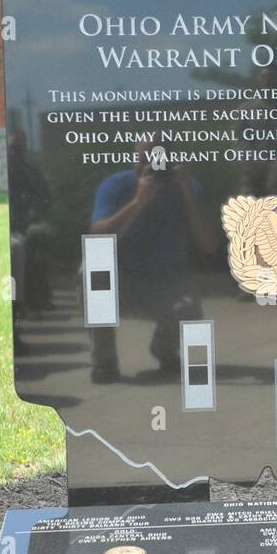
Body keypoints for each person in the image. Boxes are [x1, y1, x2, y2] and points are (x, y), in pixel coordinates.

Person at [87, 137, 221, 383]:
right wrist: (137, 202)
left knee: (188, 304)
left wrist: (188, 195)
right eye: (144, 160)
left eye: (158, 160)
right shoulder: (116, 186)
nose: (151, 167)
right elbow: (97, 238)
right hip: (123, 284)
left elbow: (209, 244)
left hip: (164, 285)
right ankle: (104, 362)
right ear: (134, 161)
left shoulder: (187, 187)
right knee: (93, 269)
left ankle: (165, 349)